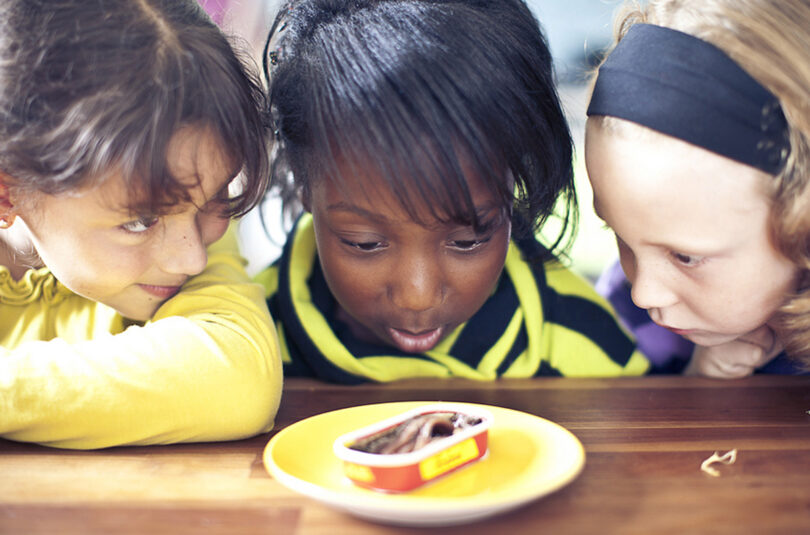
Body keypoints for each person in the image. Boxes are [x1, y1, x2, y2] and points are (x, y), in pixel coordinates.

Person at [255, 0, 650, 383]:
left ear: (515, 184)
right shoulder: (252, 346)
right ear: (303, 182)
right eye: (364, 243)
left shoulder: (582, 343)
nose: (418, 296)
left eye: (468, 240)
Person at [0, 0, 283, 449]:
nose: (193, 258)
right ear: (7, 193)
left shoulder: (186, 221)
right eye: (141, 222)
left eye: (215, 197)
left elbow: (239, 378)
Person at [585, 0, 810, 377]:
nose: (643, 293)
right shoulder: (622, 314)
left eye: (685, 257)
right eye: (620, 237)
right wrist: (697, 378)